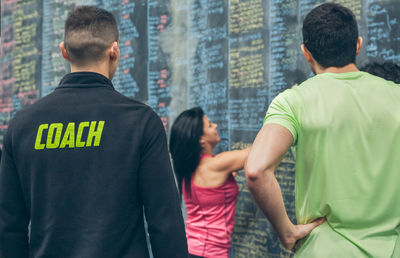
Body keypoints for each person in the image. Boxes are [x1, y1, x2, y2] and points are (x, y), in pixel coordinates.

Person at [0, 6, 188, 258]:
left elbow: (9, 228)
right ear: (115, 50)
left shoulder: (21, 126)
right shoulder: (141, 122)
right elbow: (165, 224)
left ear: (64, 51)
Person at [245, 3, 400, 258]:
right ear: (358, 45)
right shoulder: (396, 97)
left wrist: (287, 232)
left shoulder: (293, 102)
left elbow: (256, 170)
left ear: (306, 53)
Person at [169, 107, 250, 258]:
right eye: (210, 124)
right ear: (201, 139)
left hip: (191, 249)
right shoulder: (215, 165)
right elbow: (260, 151)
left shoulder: (191, 167)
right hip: (207, 253)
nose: (216, 126)